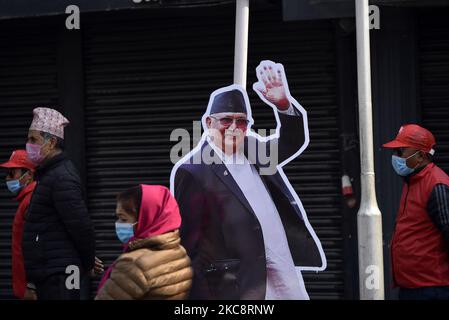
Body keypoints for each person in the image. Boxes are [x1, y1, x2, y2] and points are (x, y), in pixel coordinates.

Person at [171, 60, 325, 300]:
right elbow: (190, 245)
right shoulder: (193, 171)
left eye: (241, 121)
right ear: (208, 123)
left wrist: (283, 105)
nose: (234, 127)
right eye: (226, 120)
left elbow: (291, 142)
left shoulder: (254, 148)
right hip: (237, 284)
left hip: (281, 270)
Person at [22, 107, 100, 300]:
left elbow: (81, 226)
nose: (28, 145)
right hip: (50, 272)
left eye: (34, 140)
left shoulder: (61, 177)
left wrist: (88, 262)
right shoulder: (49, 174)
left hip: (59, 276)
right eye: (28, 139)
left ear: (52, 142)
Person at [383, 124, 449, 300]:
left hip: (431, 289)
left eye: (401, 151)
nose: (396, 157)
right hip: (411, 287)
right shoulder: (412, 181)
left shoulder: (436, 184)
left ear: (420, 156)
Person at [95, 184, 192, 300]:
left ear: (146, 219)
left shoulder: (134, 264)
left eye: (123, 219)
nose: (118, 223)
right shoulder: (180, 254)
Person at [0, 150, 37, 300]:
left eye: (12, 173)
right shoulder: (27, 200)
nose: (7, 178)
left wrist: (31, 285)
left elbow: (36, 244)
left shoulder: (31, 202)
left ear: (28, 175)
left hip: (31, 290)